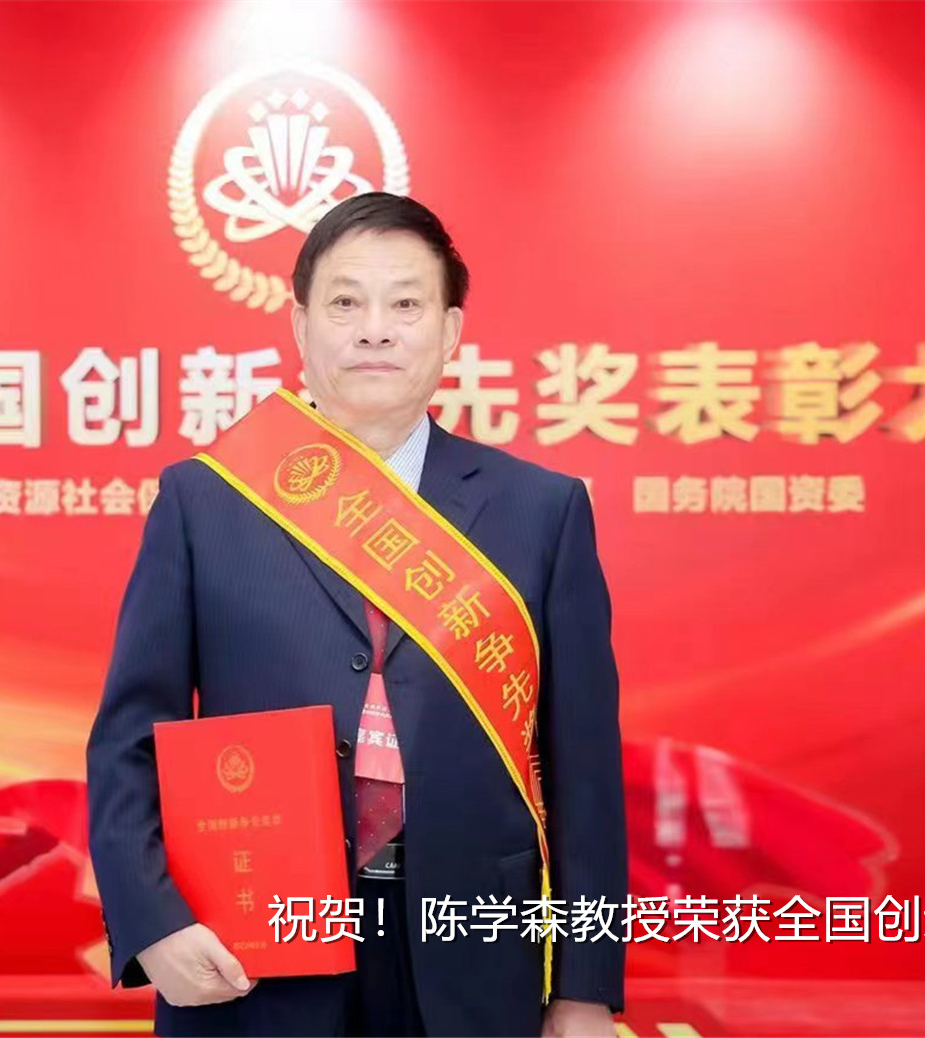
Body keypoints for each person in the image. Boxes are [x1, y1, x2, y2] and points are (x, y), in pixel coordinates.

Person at [85, 192, 626, 1037]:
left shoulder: (541, 511)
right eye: (345, 303)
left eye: (406, 304)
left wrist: (584, 986)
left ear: (450, 331)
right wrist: (152, 921)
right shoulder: (204, 500)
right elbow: (129, 736)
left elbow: (583, 767)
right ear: (301, 326)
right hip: (252, 943)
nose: (375, 331)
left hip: (474, 944)